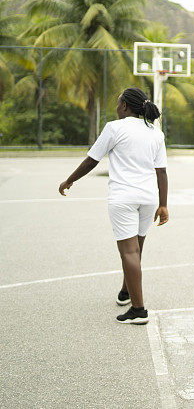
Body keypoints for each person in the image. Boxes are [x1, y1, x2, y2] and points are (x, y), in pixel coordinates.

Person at [59, 87, 168, 325]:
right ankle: (126, 292)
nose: (116, 108)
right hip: (148, 198)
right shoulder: (155, 132)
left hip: (124, 198)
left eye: (118, 103)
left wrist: (70, 180)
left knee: (129, 252)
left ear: (126, 107)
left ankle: (138, 310)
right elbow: (161, 171)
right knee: (136, 249)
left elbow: (92, 159)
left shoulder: (114, 128)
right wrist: (163, 205)